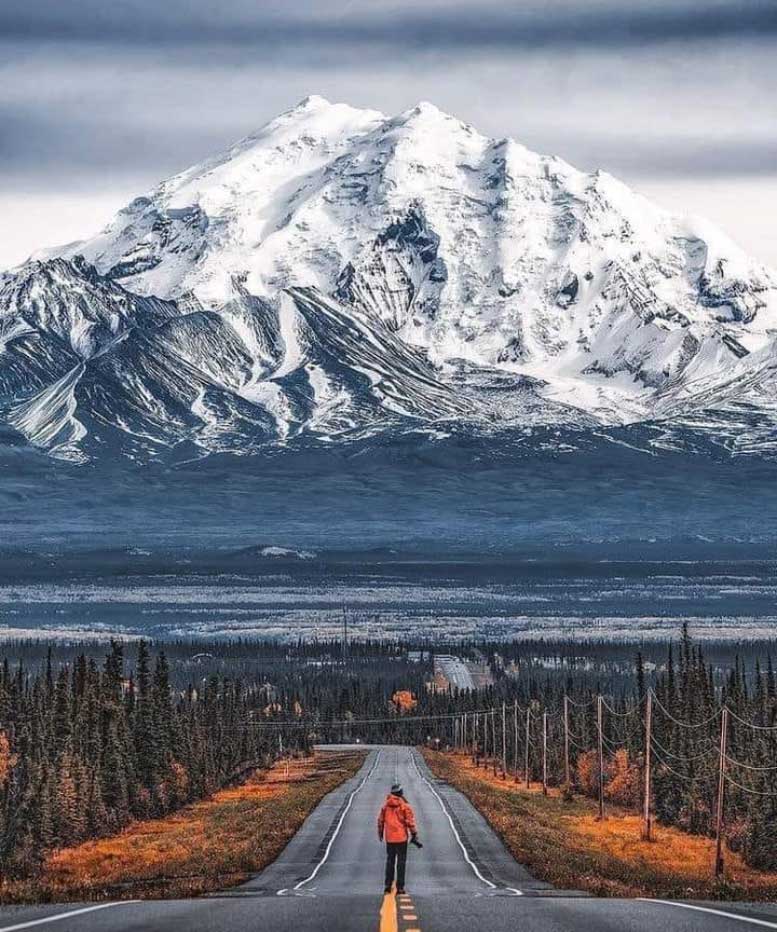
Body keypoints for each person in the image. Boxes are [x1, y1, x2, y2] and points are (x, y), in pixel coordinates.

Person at [377, 782, 419, 894]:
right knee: (401, 862)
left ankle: (387, 885)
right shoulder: (404, 806)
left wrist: (381, 834)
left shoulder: (385, 806)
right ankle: (400, 887)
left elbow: (380, 821)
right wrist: (414, 834)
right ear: (400, 793)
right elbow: (410, 822)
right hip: (401, 838)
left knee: (390, 861)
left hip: (390, 838)